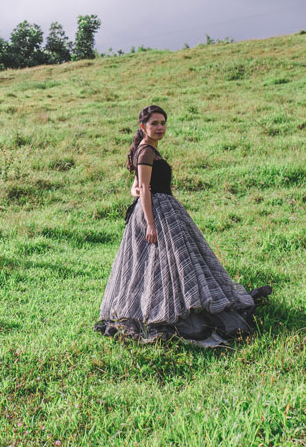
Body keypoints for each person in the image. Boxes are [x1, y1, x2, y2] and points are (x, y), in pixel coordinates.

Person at [95, 105, 271, 348]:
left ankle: (175, 301)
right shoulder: (145, 151)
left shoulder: (147, 150)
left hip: (164, 210)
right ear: (142, 126)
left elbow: (137, 186)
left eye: (163, 123)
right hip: (155, 213)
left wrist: (138, 191)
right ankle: (168, 309)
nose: (160, 128)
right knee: (165, 262)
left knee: (169, 264)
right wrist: (150, 223)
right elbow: (144, 188)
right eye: (154, 123)